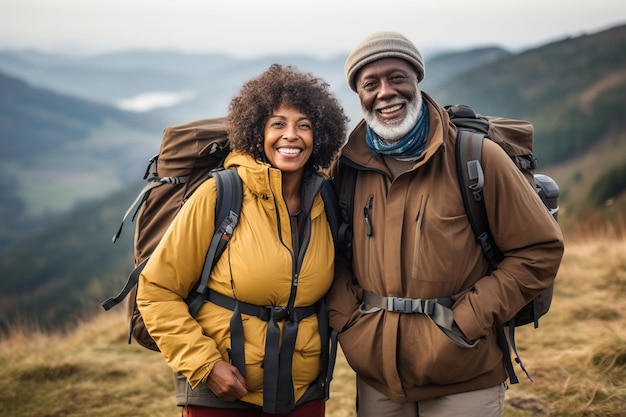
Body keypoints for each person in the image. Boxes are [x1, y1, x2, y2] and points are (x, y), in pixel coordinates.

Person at [326, 31, 564, 417]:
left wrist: (466, 321)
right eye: (371, 83)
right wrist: (351, 325)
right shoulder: (348, 168)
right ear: (359, 94)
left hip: (465, 371)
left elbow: (538, 250)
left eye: (397, 77)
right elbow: (331, 255)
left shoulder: (474, 156)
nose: (386, 92)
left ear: (417, 80)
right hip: (377, 374)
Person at [136, 64, 348, 417]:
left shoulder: (325, 201)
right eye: (277, 124)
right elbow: (156, 289)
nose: (291, 135)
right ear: (257, 132)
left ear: (320, 136)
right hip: (223, 392)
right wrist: (205, 365)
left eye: (304, 125)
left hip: (304, 393)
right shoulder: (221, 195)